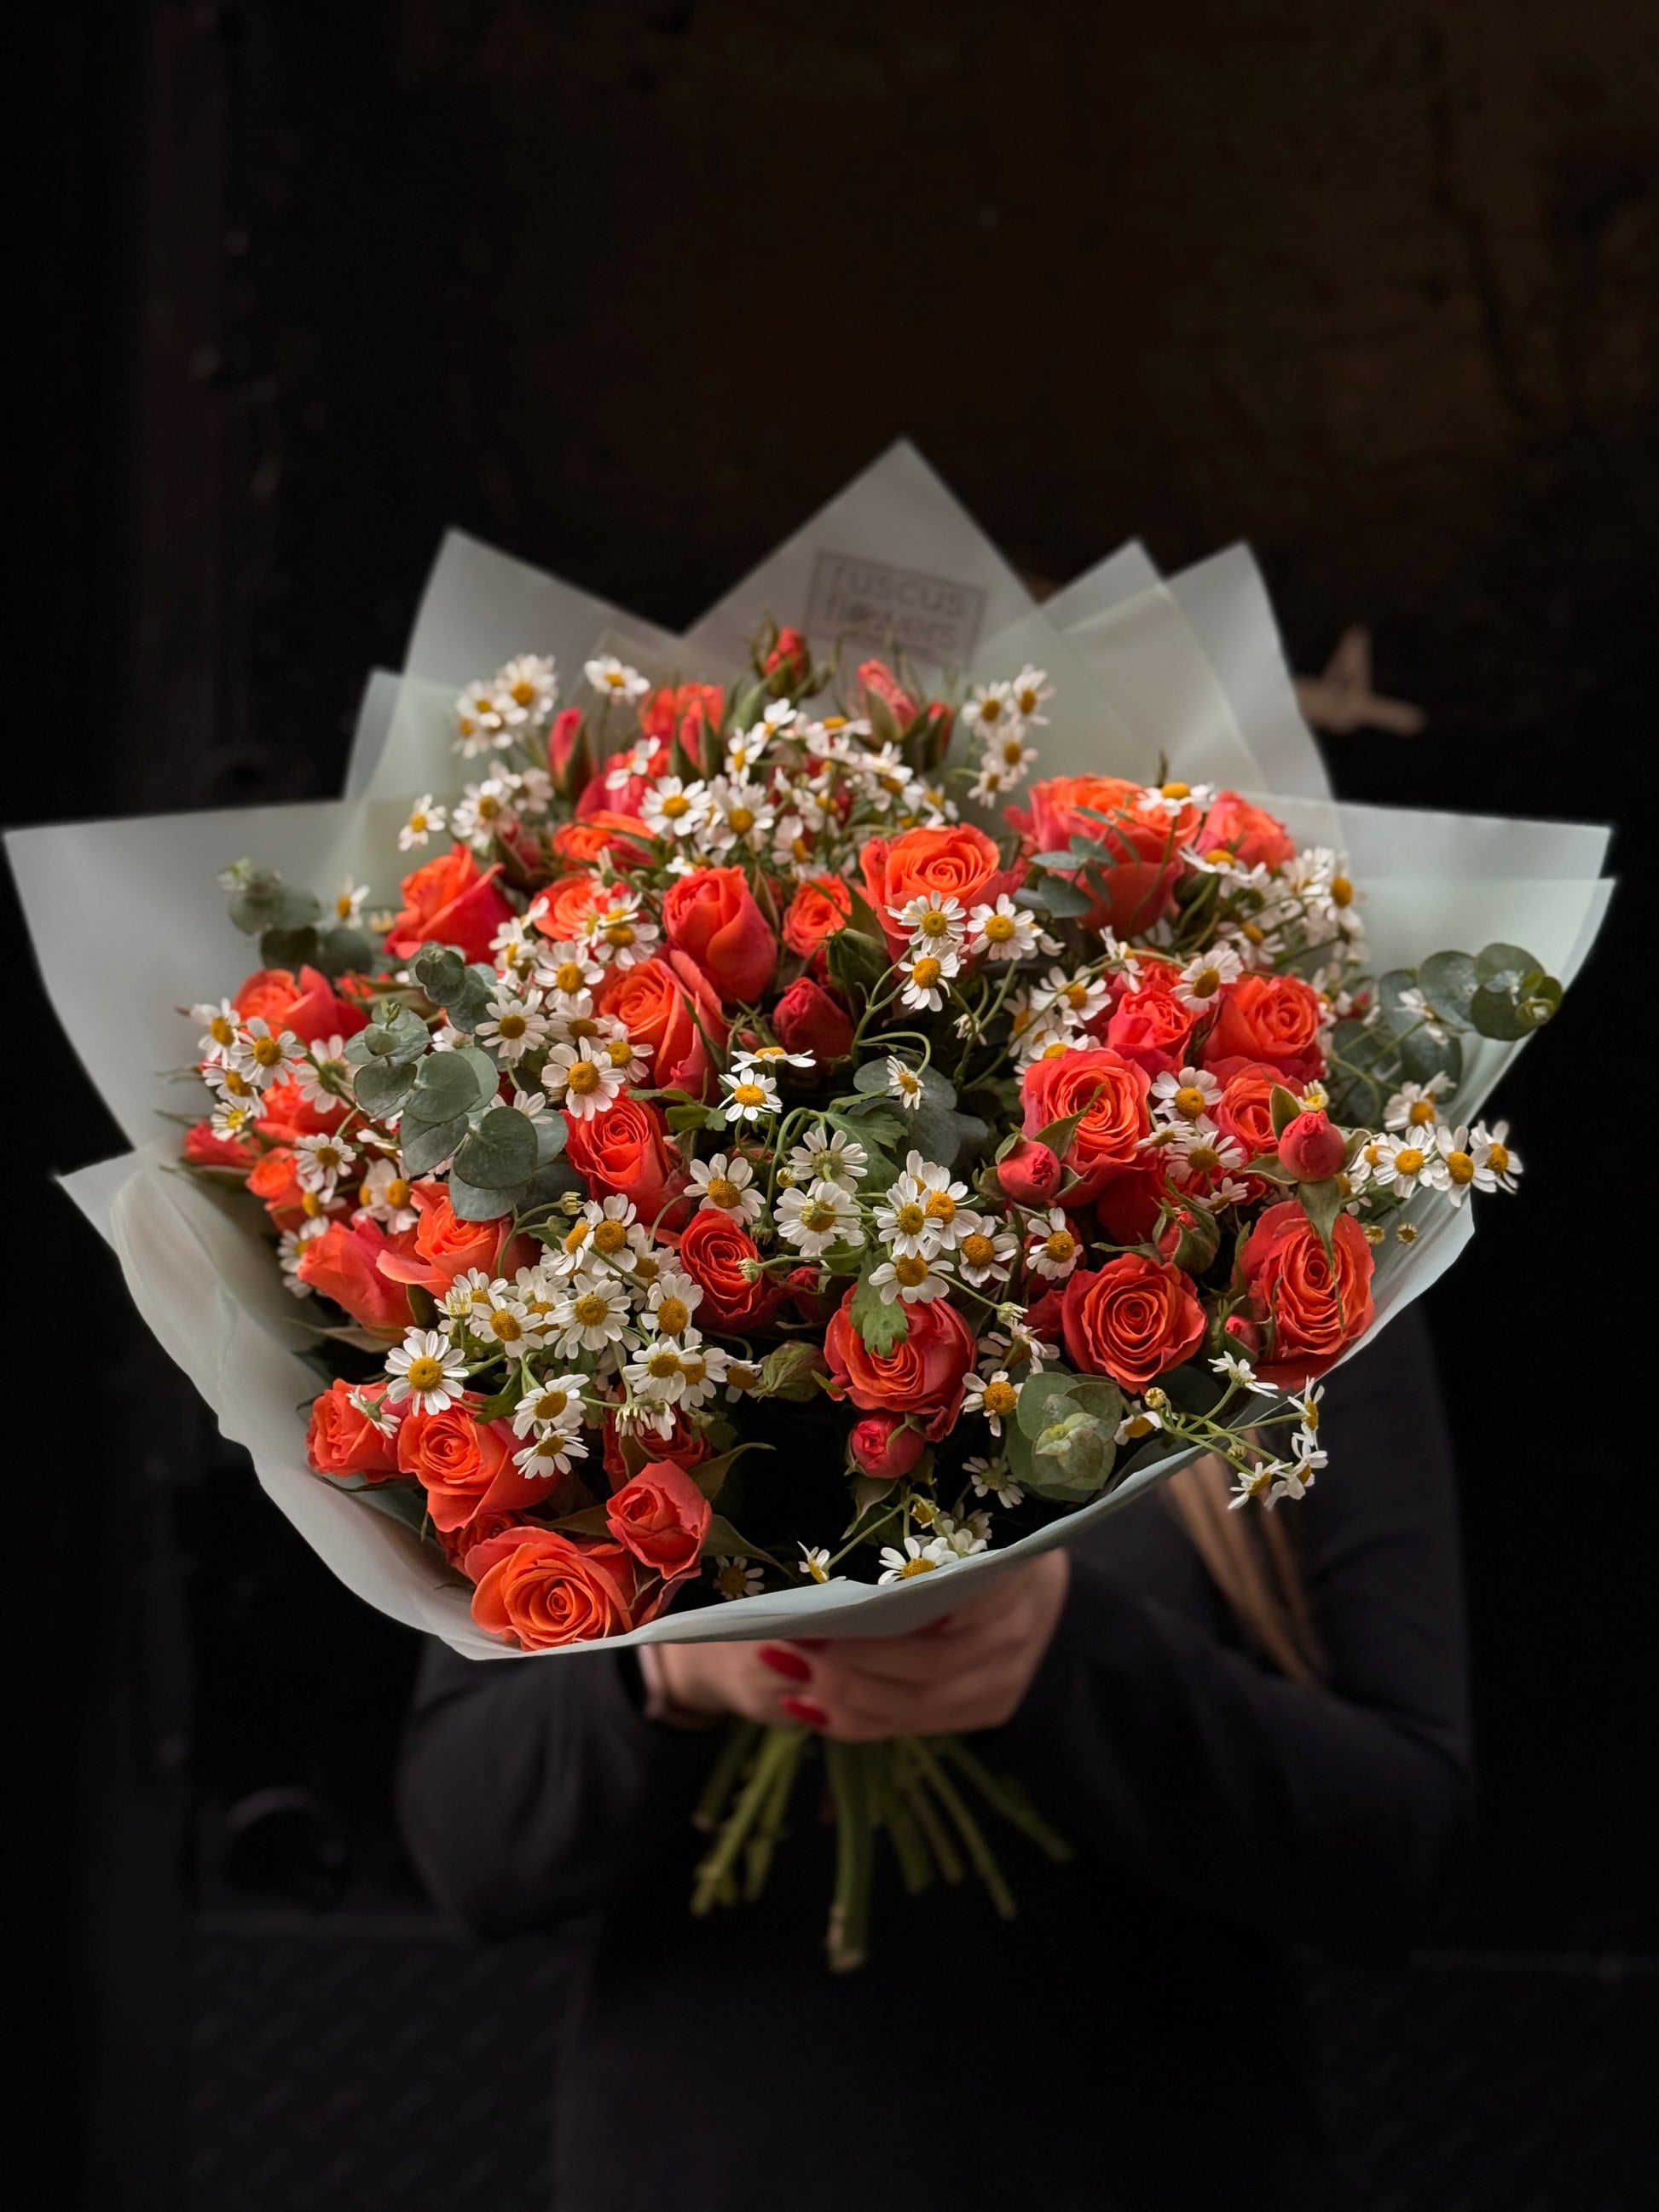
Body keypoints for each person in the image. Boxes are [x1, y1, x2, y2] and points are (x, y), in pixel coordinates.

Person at [399, 1308, 1469, 2210]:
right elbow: (466, 1842)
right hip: (708, 2159)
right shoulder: (602, 1322)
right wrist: (663, 1675)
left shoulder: (1282, 1297)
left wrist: (1065, 1655)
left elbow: (1398, 1854)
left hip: (1150, 2155)